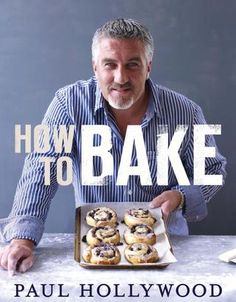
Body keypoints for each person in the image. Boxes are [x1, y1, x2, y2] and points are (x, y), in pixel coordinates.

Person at [0, 18, 226, 274]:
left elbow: (212, 170)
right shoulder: (69, 104)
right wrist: (22, 239)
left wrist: (180, 196)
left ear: (148, 66)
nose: (121, 78)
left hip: (170, 252)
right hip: (93, 253)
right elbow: (41, 171)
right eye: (110, 65)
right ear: (95, 67)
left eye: (133, 65)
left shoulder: (185, 111)